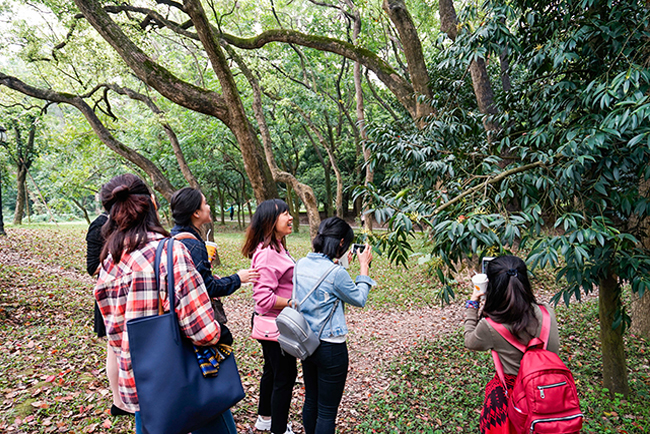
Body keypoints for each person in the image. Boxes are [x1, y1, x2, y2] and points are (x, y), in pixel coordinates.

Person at [93, 174, 234, 434]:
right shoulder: (170, 252)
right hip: (185, 382)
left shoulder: (107, 265)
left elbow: (115, 337)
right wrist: (221, 334)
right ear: (153, 204)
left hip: (142, 389)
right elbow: (203, 331)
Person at [293, 217, 375, 434]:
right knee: (327, 411)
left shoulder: (300, 264)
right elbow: (359, 298)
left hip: (306, 342)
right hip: (331, 347)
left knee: (311, 400)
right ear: (341, 243)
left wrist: (339, 262)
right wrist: (364, 267)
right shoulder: (336, 273)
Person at [464, 255, 560, 434]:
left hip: (512, 398)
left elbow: (469, 340)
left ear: (492, 287)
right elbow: (554, 351)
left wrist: (473, 301)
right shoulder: (547, 313)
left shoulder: (490, 326)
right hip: (548, 393)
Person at [169, 187, 259, 329]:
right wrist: (238, 278)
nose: (209, 207)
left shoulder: (171, 238)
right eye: (205, 203)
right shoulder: (193, 245)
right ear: (196, 213)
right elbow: (208, 287)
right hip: (193, 321)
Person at [242, 199, 296, 434]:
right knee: (285, 375)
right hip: (276, 325)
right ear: (271, 222)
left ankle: (265, 418)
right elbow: (263, 299)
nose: (291, 217)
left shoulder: (277, 246)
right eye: (285, 214)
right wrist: (293, 301)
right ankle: (279, 428)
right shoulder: (267, 253)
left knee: (272, 371)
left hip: (274, 323)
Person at [86, 208, 132, 417]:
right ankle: (118, 402)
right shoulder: (99, 225)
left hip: (126, 291)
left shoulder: (123, 223)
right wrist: (119, 258)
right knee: (113, 348)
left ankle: (127, 398)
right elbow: (92, 266)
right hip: (109, 292)